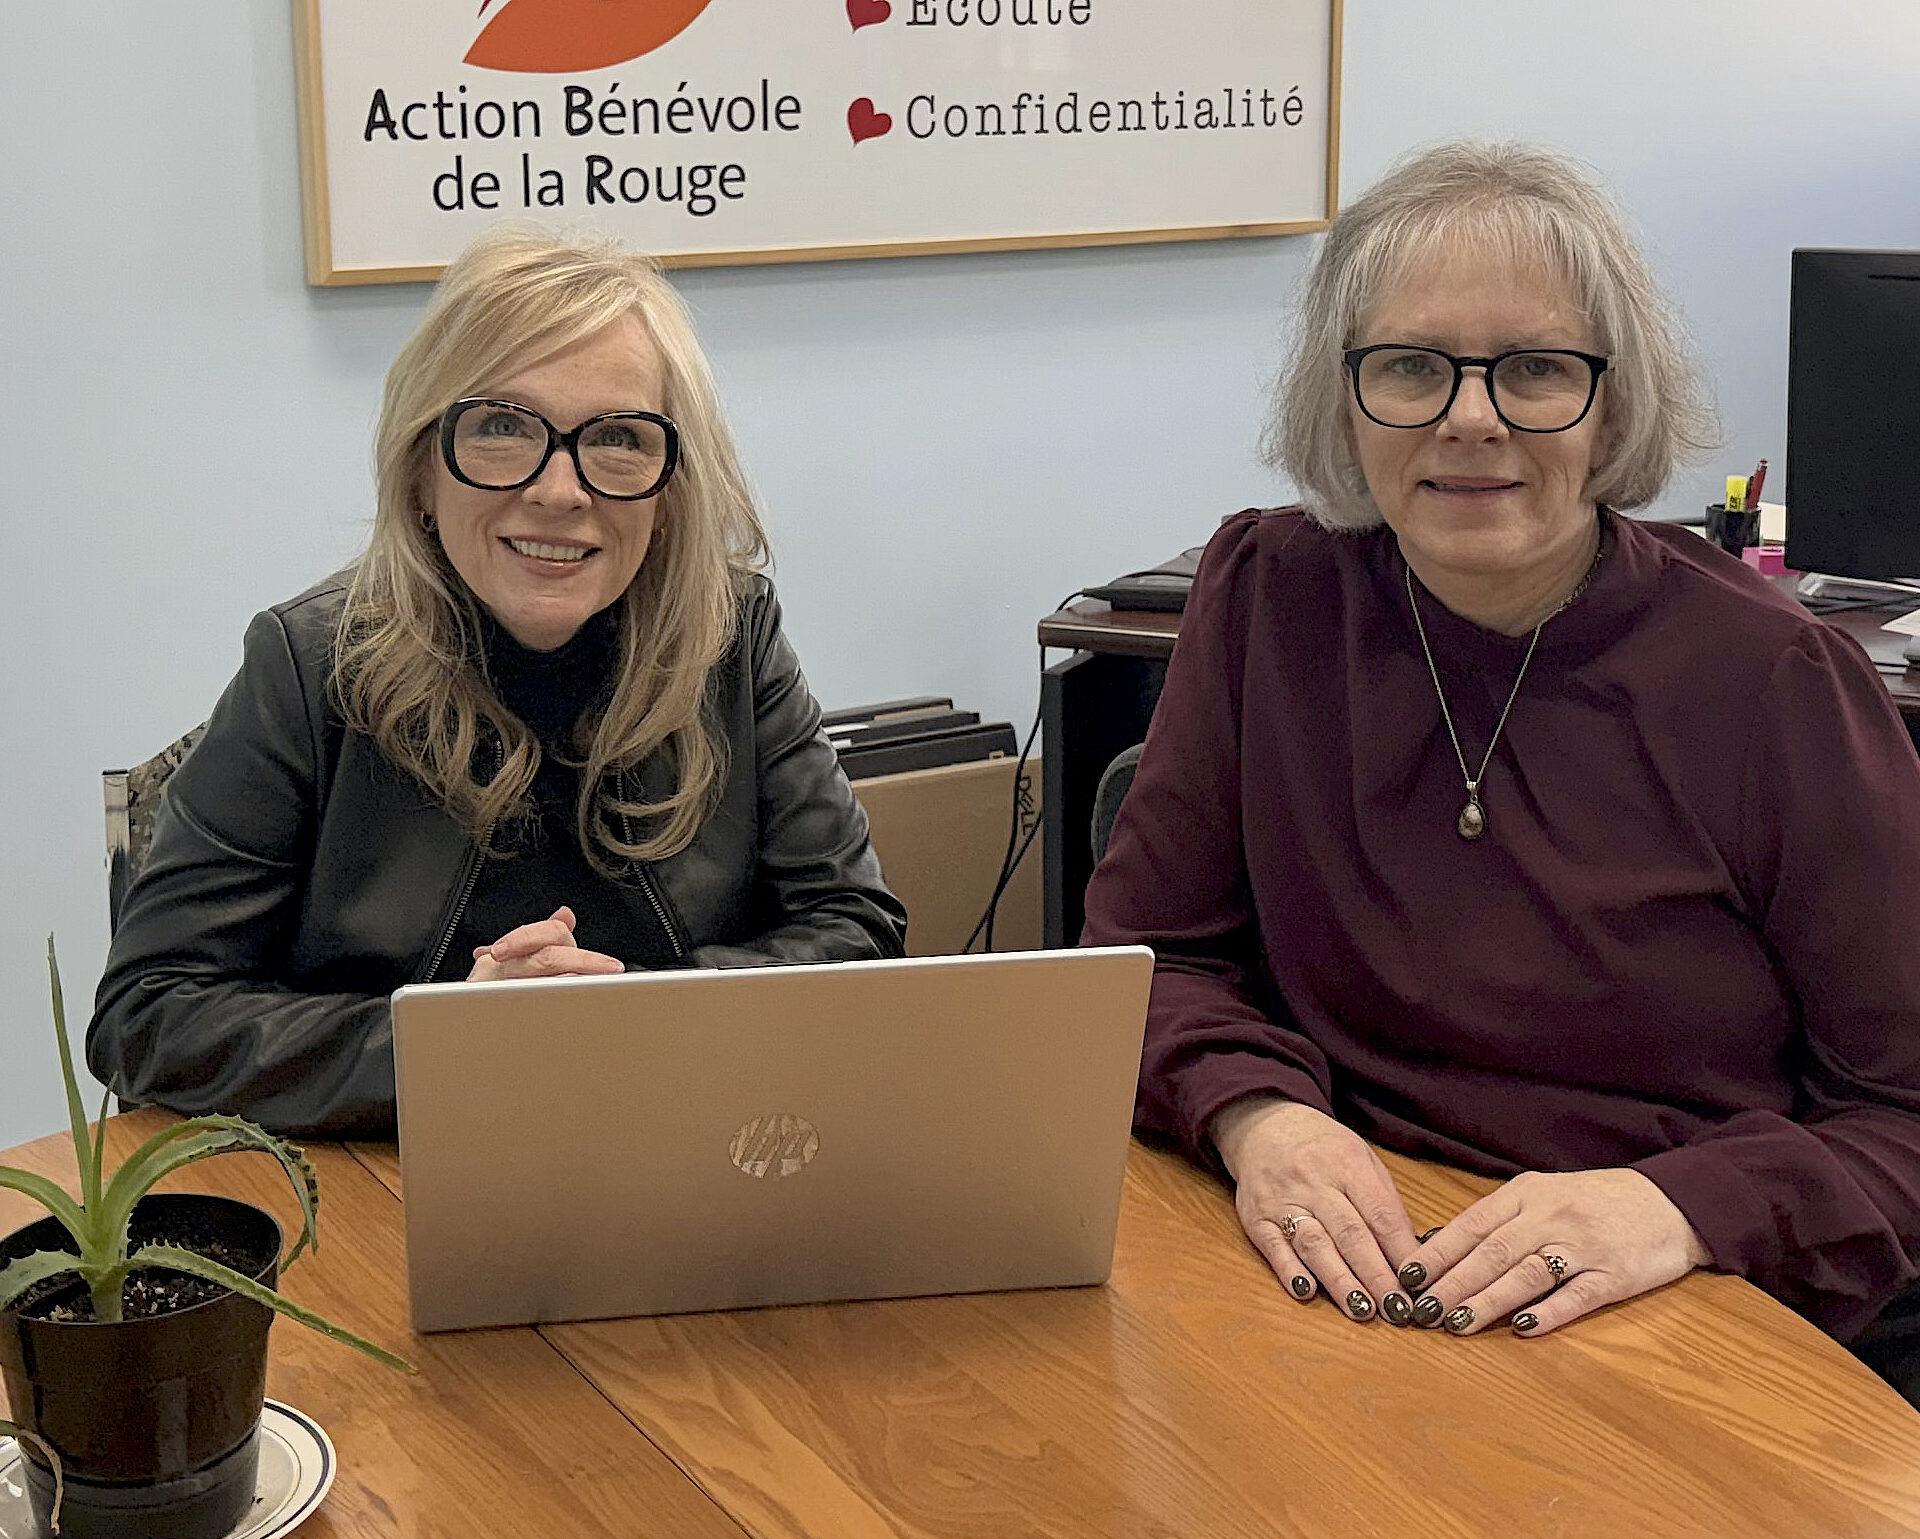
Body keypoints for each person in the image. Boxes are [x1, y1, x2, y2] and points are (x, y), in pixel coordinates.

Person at [1080, 142, 1920, 1398]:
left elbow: (1903, 1115)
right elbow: (1146, 965)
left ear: (1611, 401)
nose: (1470, 417)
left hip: (1681, 1317)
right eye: (1412, 365)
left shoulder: (1776, 685)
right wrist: (1262, 1117)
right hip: (1345, 1277)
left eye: (1533, 368)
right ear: (1345, 395)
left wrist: (1677, 1207)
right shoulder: (1268, 598)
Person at [89, 226, 907, 1137]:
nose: (561, 490)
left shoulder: (732, 637)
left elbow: (855, 932)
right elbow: (149, 1013)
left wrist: (642, 1012)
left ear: (673, 488)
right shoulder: (305, 665)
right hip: (385, 1181)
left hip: (683, 1153)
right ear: (421, 472)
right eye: (502, 427)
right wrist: (449, 1042)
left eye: (620, 439)